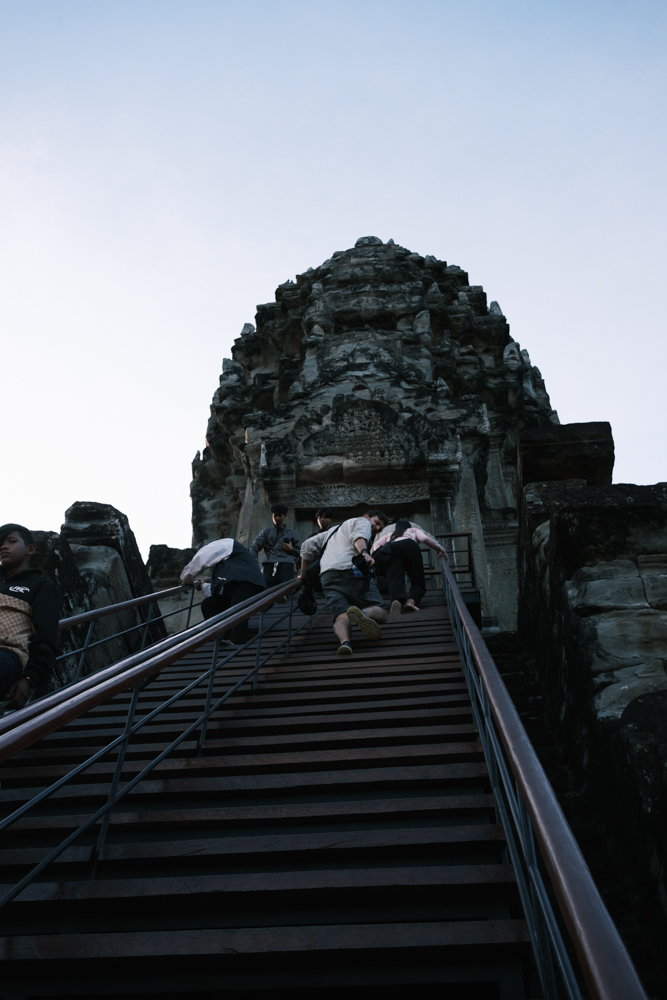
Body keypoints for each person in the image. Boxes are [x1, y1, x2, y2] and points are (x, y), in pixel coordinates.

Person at [300, 510, 389, 656]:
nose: (377, 528)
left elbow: (307, 545)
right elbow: (359, 536)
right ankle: (361, 614)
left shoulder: (331, 531)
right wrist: (364, 552)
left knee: (340, 615)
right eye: (377, 523)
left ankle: (345, 643)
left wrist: (303, 575)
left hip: (327, 575)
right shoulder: (362, 521)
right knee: (382, 612)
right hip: (352, 570)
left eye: (380, 528)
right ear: (367, 517)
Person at [0, 523, 62, 709]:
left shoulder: (42, 586)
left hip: (7, 653)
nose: (3, 547)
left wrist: (29, 678)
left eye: (11, 541)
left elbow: (46, 635)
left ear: (30, 549)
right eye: (0, 544)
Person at [180, 538, 265, 646]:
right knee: (208, 604)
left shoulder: (225, 544)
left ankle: (238, 643)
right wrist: (203, 586)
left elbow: (200, 558)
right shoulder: (229, 565)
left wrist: (186, 579)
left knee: (237, 606)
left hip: (248, 584)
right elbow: (219, 591)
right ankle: (222, 636)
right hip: (241, 587)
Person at [372, 517, 448, 615]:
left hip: (392, 548)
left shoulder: (390, 535)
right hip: (410, 545)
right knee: (417, 576)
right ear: (408, 526)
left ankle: (396, 601)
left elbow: (376, 545)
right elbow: (424, 538)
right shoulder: (413, 530)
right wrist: (440, 549)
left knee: (395, 577)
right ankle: (412, 601)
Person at [250, 503, 301, 589]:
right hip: (269, 563)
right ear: (271, 516)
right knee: (266, 589)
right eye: (275, 515)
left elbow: (300, 553)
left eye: (280, 515)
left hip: (287, 563)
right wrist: (252, 562)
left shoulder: (292, 533)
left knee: (284, 589)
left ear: (285, 516)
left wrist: (291, 550)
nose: (277, 518)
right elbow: (255, 547)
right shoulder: (266, 532)